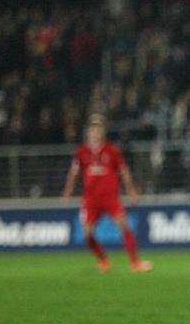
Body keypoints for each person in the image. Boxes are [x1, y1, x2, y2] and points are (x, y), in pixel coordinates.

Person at [63, 113, 153, 273]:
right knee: (87, 234)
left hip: (110, 197)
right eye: (93, 128)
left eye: (98, 128)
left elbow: (124, 171)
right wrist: (68, 191)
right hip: (90, 199)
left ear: (103, 131)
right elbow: (74, 173)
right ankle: (104, 260)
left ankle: (135, 263)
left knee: (124, 226)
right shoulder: (81, 152)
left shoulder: (111, 150)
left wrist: (131, 191)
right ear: (88, 131)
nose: (96, 131)